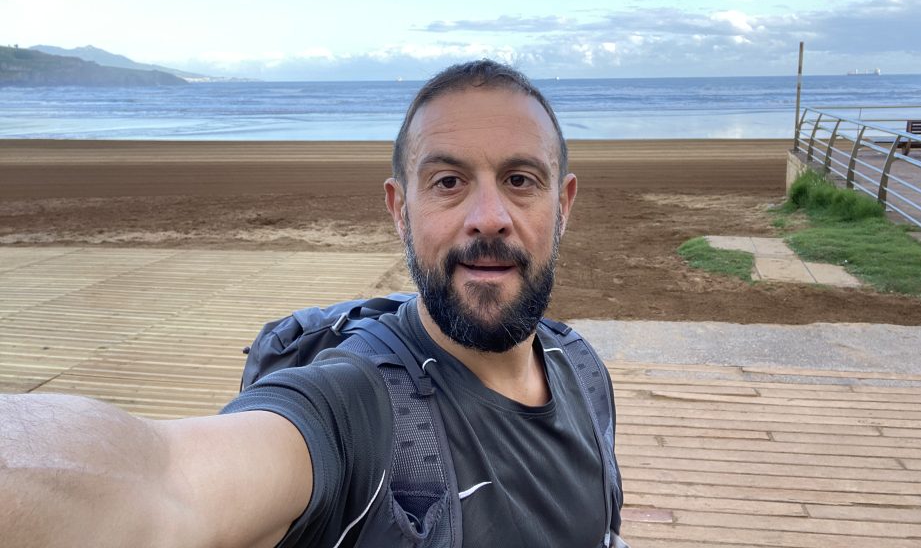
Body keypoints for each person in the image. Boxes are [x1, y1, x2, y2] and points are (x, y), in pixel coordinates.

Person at [0, 59, 627, 548]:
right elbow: (165, 484)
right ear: (401, 211)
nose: (488, 217)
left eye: (520, 181)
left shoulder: (581, 367)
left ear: (562, 205)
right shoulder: (355, 406)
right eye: (448, 182)